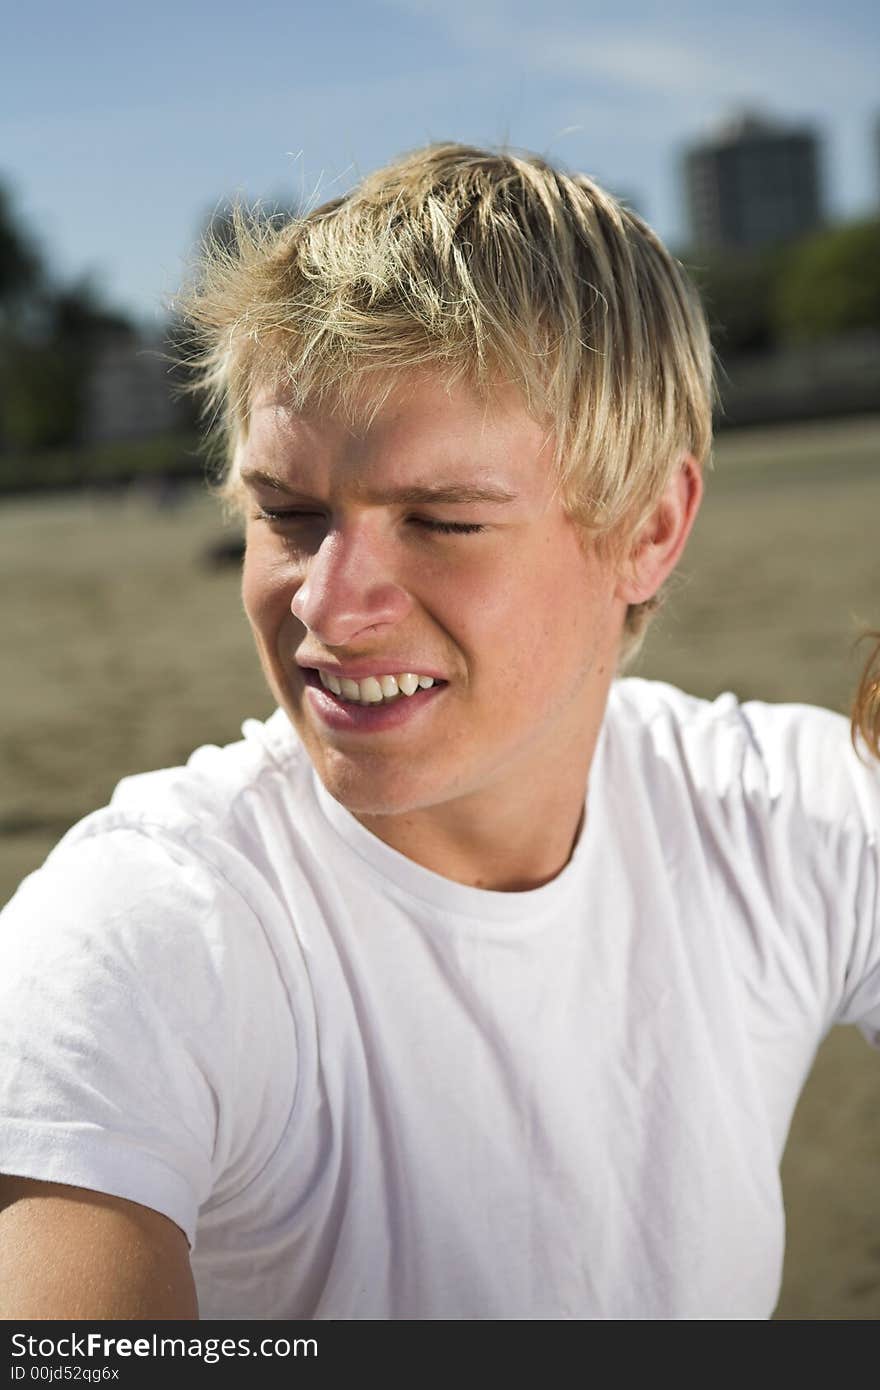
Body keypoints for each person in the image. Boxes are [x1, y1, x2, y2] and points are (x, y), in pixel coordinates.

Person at [0, 142, 877, 1322]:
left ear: (650, 527)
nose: (325, 605)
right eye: (290, 515)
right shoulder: (149, 932)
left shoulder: (781, 821)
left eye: (441, 520)